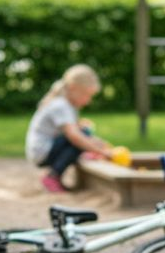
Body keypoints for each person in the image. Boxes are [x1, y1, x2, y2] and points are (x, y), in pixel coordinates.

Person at [25, 64, 114, 193]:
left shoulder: (67, 105)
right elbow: (74, 136)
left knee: (84, 132)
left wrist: (100, 143)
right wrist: (101, 152)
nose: (89, 101)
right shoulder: (61, 105)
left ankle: (58, 173)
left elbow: (78, 131)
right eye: (87, 95)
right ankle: (52, 176)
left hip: (44, 150)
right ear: (73, 88)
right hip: (42, 152)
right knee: (79, 138)